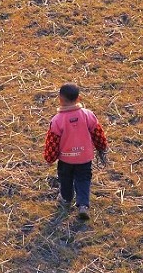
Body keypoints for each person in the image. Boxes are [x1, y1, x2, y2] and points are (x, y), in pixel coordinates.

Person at [43, 83, 108, 220]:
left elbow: (52, 142)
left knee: (65, 179)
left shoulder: (57, 120)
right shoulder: (88, 115)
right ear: (79, 98)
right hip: (85, 157)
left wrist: (49, 158)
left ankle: (66, 199)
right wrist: (101, 147)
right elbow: (98, 134)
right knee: (83, 179)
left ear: (60, 99)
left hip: (66, 159)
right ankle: (83, 205)